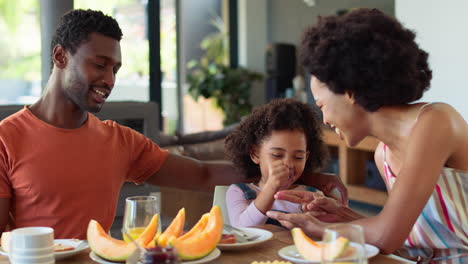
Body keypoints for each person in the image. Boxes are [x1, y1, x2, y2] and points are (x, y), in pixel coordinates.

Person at [0, 9, 346, 240]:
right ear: (61, 57)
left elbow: (203, 176)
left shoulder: (119, 140)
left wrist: (304, 175)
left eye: (115, 70)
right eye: (99, 64)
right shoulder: (7, 139)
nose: (109, 79)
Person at [266, 8, 468, 263]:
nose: (325, 119)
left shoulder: (436, 122)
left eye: (322, 105)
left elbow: (386, 237)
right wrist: (341, 214)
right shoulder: (383, 156)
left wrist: (321, 230)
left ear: (349, 91)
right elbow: (404, 242)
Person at [224, 98, 344, 227]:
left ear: (307, 157)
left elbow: (328, 233)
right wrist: (271, 187)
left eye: (298, 157)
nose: (289, 164)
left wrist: (318, 217)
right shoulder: (240, 192)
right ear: (255, 154)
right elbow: (242, 229)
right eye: (277, 155)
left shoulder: (311, 195)